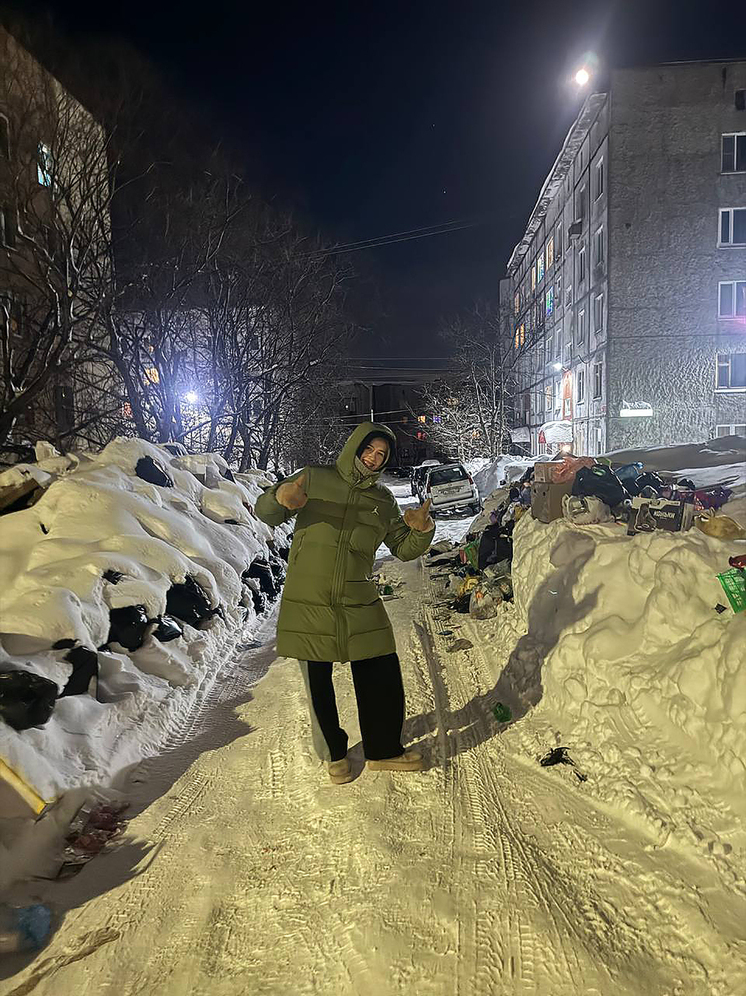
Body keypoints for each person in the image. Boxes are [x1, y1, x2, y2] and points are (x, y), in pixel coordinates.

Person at [255, 421, 435, 784]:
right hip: (310, 596)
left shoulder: (382, 501)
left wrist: (422, 529)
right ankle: (334, 756)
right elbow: (267, 511)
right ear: (355, 447)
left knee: (381, 663)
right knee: (316, 678)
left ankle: (383, 749)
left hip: (357, 595)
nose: (373, 457)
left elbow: (402, 549)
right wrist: (279, 499)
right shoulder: (313, 477)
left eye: (381, 455)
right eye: (369, 449)